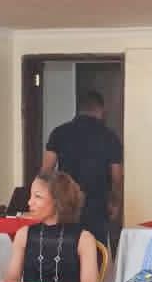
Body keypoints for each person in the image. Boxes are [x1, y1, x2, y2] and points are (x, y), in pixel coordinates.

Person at [42, 91, 124, 247]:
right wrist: (115, 202)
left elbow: (46, 171)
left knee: (65, 248)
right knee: (96, 249)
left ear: (79, 109)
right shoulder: (110, 136)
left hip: (66, 202)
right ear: (101, 110)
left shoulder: (59, 132)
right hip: (97, 204)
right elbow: (116, 176)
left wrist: (46, 200)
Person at [5, 171, 98, 282]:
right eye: (30, 196)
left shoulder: (84, 239)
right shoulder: (23, 234)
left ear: (58, 201)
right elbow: (12, 281)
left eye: (37, 196)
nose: (29, 202)